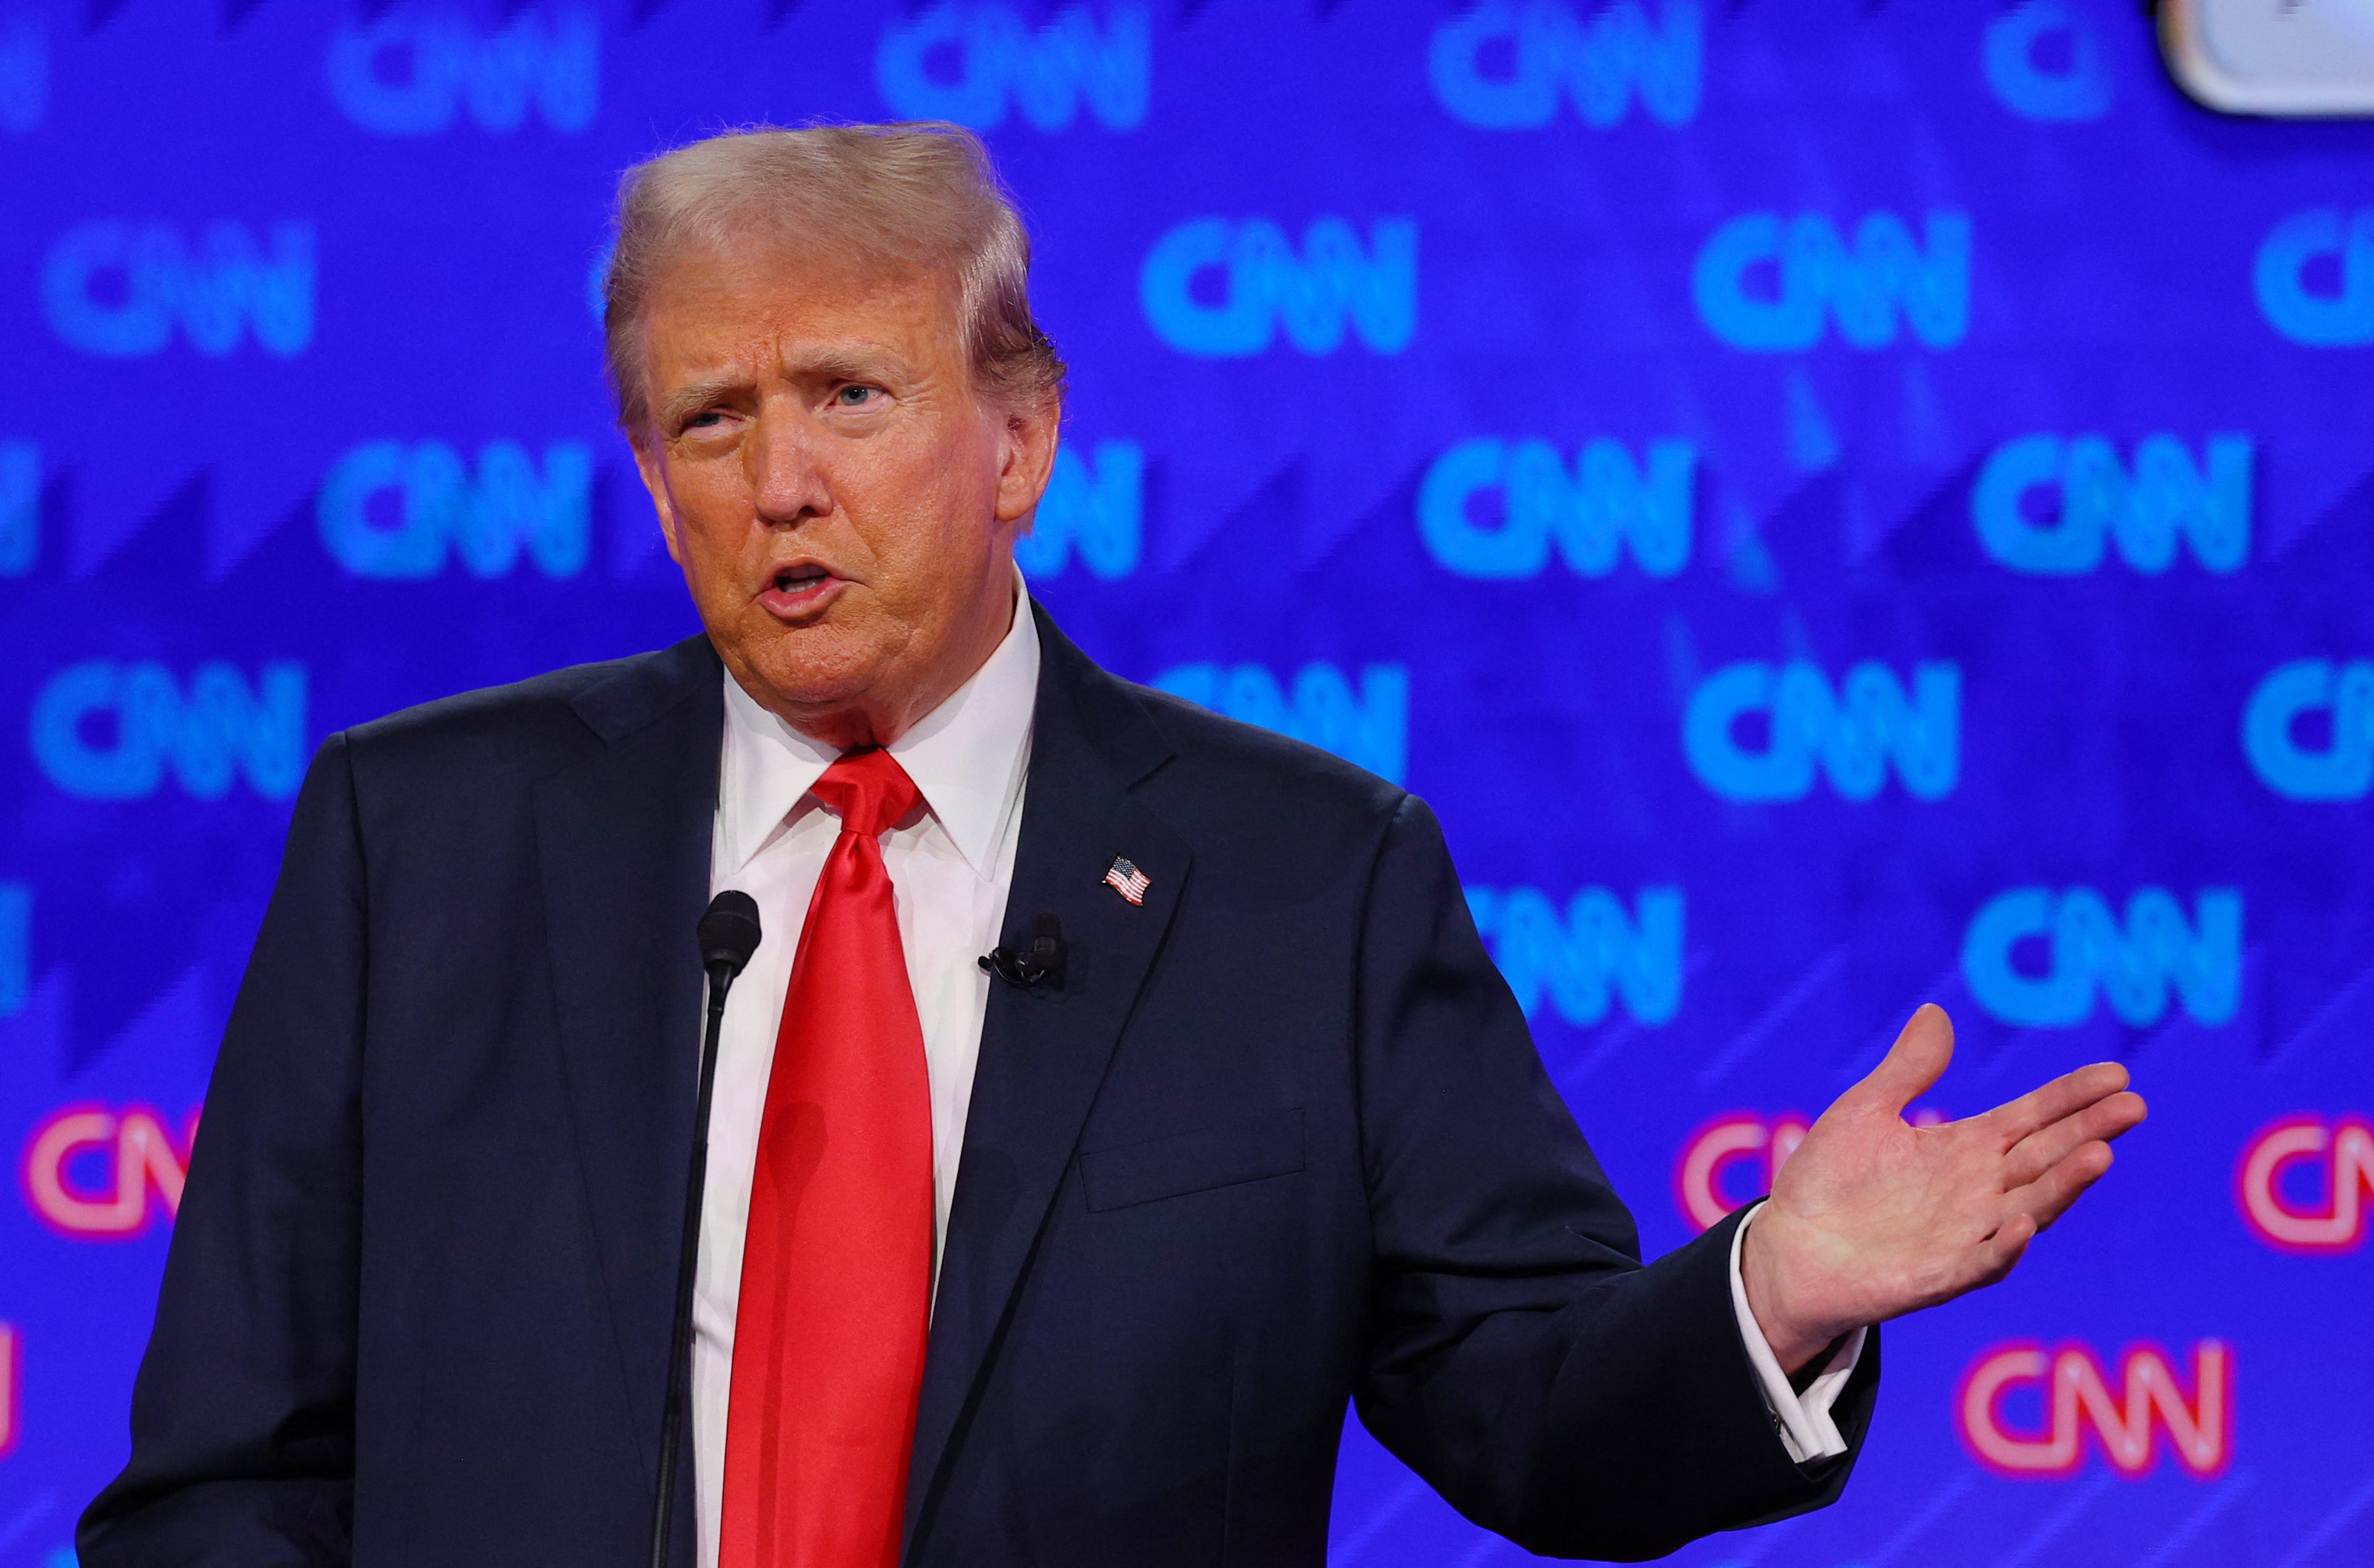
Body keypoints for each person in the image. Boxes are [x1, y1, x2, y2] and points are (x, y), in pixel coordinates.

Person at [80, 123, 2146, 1568]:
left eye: (849, 395)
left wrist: (1767, 1297)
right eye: (710, 419)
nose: (780, 477)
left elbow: (1523, 1412)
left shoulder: (1307, 881)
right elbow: (222, 1480)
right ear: (648, 469)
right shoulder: (419, 837)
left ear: (1017, 439)